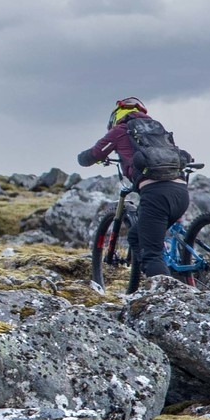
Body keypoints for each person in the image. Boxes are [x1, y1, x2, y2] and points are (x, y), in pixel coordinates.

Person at [78, 97, 193, 289]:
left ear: (115, 117)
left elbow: (94, 154)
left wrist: (82, 158)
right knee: (135, 236)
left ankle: (168, 298)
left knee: (151, 254)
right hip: (181, 192)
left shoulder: (120, 130)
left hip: (156, 194)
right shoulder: (157, 130)